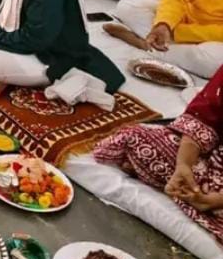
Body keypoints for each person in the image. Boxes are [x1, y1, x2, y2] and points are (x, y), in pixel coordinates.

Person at [93, 64, 223, 244]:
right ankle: (190, 188)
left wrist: (216, 201)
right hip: (213, 158)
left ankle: (206, 202)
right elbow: (202, 118)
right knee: (137, 138)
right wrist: (184, 165)